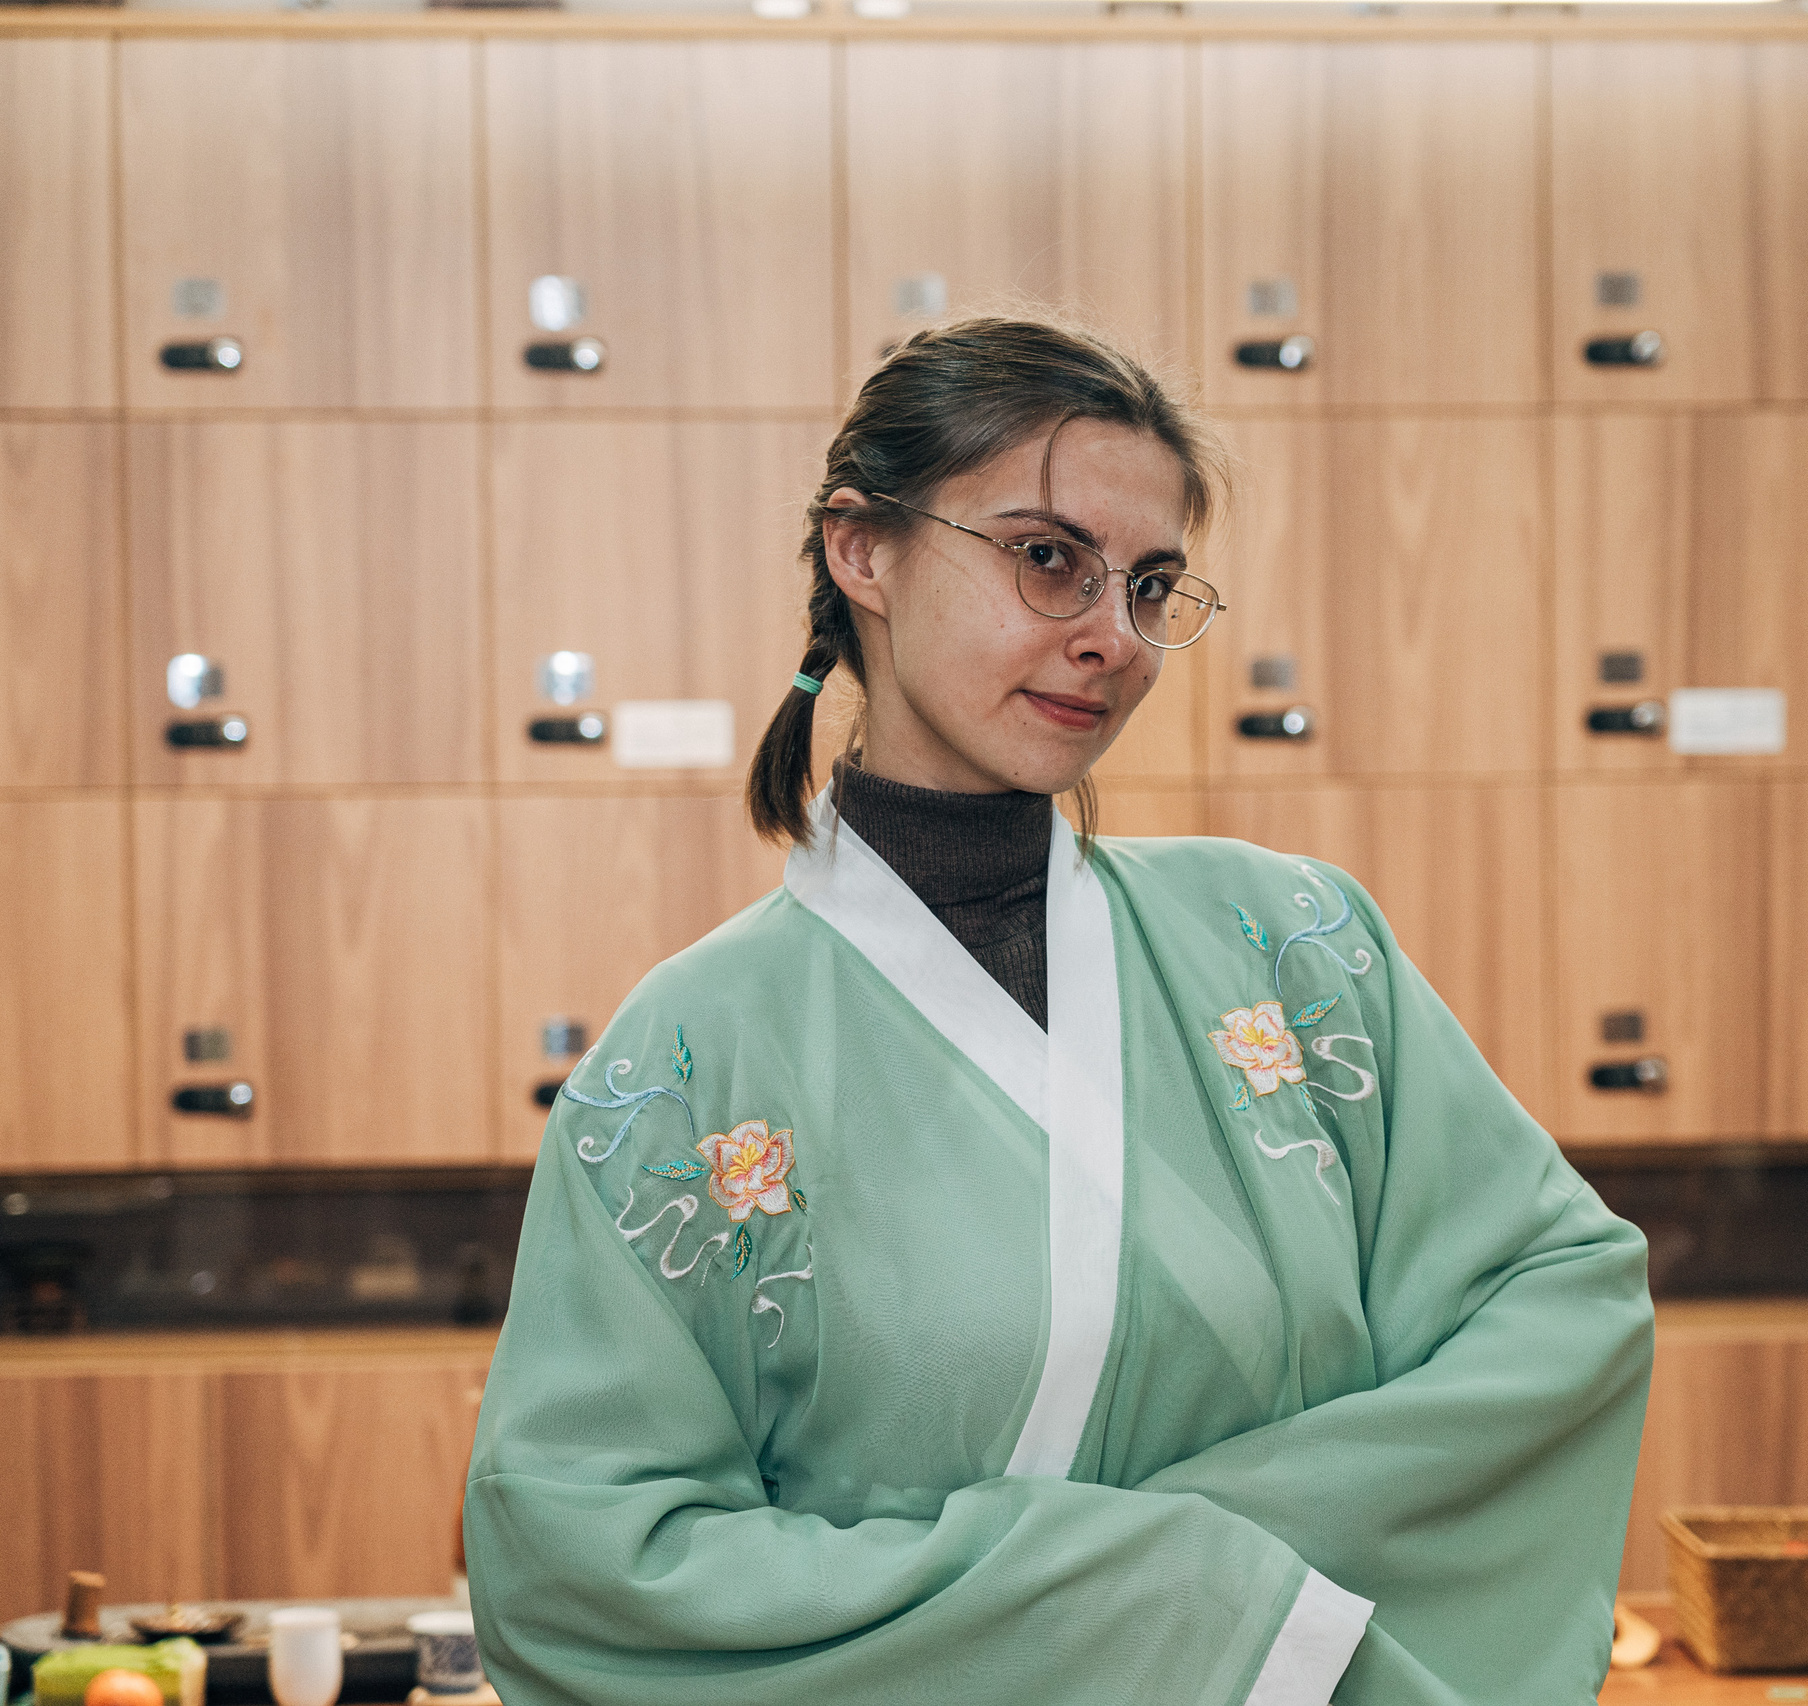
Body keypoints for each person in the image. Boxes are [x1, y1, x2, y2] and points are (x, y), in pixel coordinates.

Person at [463, 317, 1653, 1706]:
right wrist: (1144, 1594)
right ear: (864, 549)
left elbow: (1557, 1302)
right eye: (1048, 560)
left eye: (1150, 586)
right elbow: (585, 1554)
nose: (1113, 639)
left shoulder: (1300, 952)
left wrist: (1196, 1590)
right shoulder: (686, 1061)